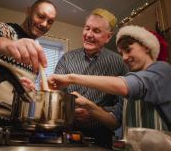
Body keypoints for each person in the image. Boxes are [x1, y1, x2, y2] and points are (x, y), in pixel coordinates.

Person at [48, 25, 171, 131]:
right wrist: (88, 105)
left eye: (128, 50)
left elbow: (126, 86)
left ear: (146, 47)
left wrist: (71, 78)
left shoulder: (162, 70)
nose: (124, 58)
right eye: (121, 53)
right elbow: (114, 122)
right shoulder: (129, 79)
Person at [52, 8, 128, 148]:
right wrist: (69, 110)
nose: (88, 34)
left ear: (108, 37)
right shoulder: (67, 59)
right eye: (87, 28)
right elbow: (56, 95)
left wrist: (95, 112)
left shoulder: (119, 63)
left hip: (101, 136)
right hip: (65, 133)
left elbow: (122, 106)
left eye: (96, 31)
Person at [0, 0, 57, 104]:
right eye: (40, 16)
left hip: (14, 117)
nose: (44, 24)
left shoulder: (36, 55)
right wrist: (6, 44)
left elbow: (25, 92)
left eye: (50, 22)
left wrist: (30, 92)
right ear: (29, 12)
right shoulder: (4, 30)